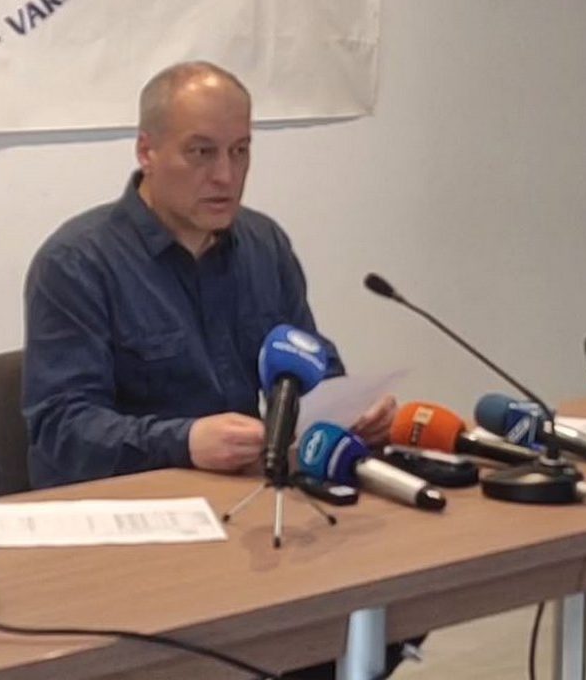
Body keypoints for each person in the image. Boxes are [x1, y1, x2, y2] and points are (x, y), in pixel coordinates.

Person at [23, 60, 394, 487]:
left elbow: (306, 364)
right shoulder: (77, 262)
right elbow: (62, 430)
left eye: (240, 151)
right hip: (127, 502)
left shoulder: (264, 244)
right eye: (201, 152)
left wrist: (349, 412)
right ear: (147, 152)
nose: (225, 176)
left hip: (243, 492)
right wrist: (185, 442)